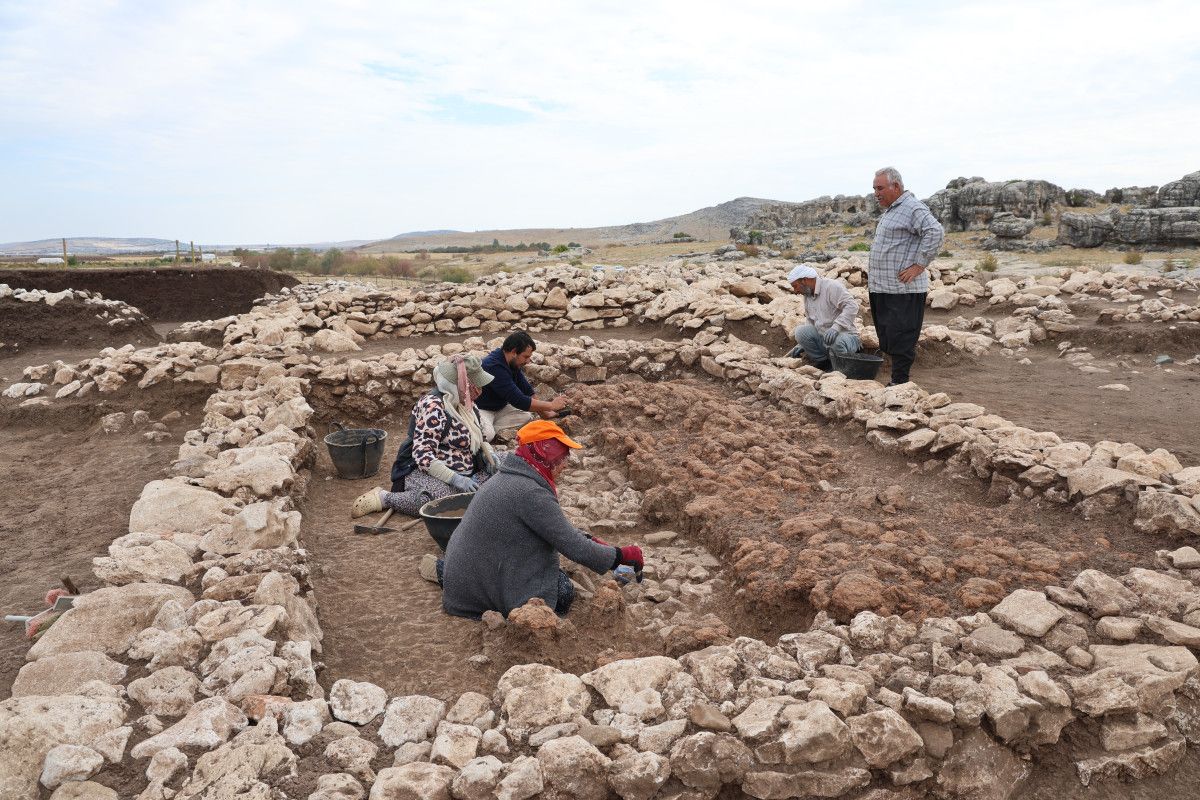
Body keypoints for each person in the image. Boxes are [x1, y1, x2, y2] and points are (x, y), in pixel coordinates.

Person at [440, 420, 643, 619]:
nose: (566, 462)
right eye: (562, 455)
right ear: (544, 452)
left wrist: (596, 544)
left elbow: (555, 527)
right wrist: (620, 555)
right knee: (561, 591)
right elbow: (572, 545)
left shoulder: (510, 477)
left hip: (461, 584)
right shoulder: (530, 492)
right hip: (472, 598)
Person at [352, 354, 498, 519]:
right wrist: (456, 479)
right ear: (460, 385)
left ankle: (467, 493)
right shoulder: (433, 407)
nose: (480, 391)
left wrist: (490, 457)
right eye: (475, 386)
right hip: (427, 472)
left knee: (506, 468)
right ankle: (385, 498)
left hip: (468, 471)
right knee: (438, 500)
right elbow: (423, 457)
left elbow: (481, 439)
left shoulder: (467, 406)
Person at [868, 166, 945, 386]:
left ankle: (900, 383)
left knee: (902, 336)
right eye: (874, 188)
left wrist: (919, 265)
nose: (876, 193)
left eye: (880, 188)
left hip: (903, 289)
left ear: (896, 186)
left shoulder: (912, 207)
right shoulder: (892, 210)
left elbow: (935, 232)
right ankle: (896, 379)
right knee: (888, 335)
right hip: (883, 287)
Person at [477, 330, 568, 441]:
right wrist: (551, 405)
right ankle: (488, 430)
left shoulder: (510, 362)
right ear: (514, 352)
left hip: (500, 409)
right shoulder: (493, 366)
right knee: (487, 434)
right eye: (526, 357)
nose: (528, 361)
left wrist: (544, 413)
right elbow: (519, 400)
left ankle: (491, 428)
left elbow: (527, 390)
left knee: (526, 416)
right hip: (481, 409)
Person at [786, 264, 862, 371]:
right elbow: (810, 320)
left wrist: (837, 327)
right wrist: (802, 343)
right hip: (824, 339)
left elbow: (852, 306)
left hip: (846, 338)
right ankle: (825, 363)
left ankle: (842, 367)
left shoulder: (831, 286)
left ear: (804, 280)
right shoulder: (807, 295)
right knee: (800, 332)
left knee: (836, 340)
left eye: (795, 286)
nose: (795, 291)